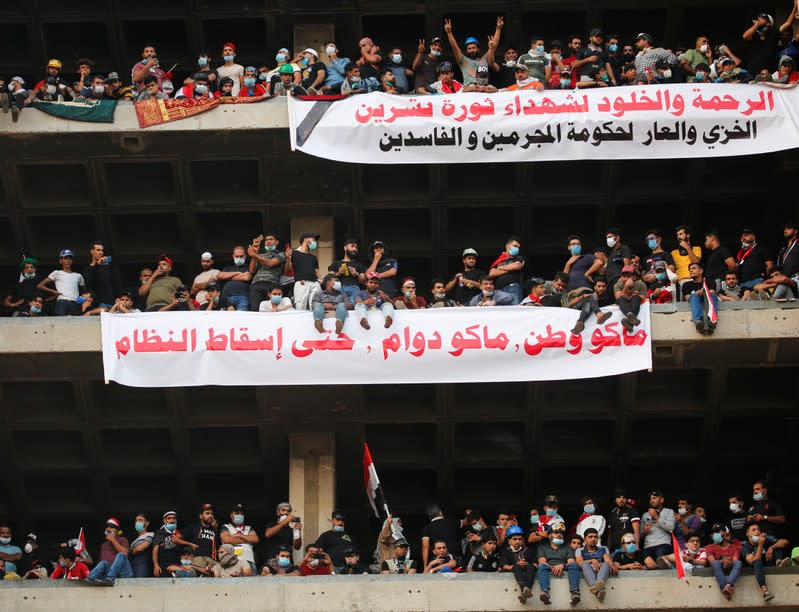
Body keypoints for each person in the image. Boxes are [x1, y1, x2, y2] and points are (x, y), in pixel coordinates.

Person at [443, 16, 502, 92]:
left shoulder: (485, 59)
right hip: (469, 91)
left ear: (478, 49)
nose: (471, 50)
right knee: (472, 86)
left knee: (492, 88)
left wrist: (498, 29)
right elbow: (454, 47)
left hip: (484, 90)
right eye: (469, 49)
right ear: (467, 51)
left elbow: (493, 46)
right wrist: (449, 33)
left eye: (473, 48)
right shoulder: (463, 61)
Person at [742, 523, 790, 601]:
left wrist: (771, 547)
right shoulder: (746, 547)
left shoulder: (765, 539)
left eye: (758, 530)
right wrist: (760, 545)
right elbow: (752, 561)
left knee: (777, 546)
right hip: (757, 569)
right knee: (757, 561)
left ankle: (779, 563)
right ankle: (765, 592)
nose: (757, 532)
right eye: (754, 530)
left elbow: (785, 542)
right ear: (748, 534)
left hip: (770, 564)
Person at [536, 523, 581, 606]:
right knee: (542, 566)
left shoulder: (568, 547)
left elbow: (571, 561)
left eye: (561, 533)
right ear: (549, 536)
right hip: (549, 567)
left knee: (574, 565)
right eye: (556, 533)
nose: (560, 535)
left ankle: (575, 593)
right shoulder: (542, 547)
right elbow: (542, 561)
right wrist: (553, 567)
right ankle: (545, 592)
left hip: (564, 567)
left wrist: (562, 565)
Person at [87, 517, 132, 585]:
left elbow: (125, 553)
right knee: (103, 563)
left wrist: (113, 540)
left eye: (111, 527)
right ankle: (88, 579)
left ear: (117, 530)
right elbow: (102, 563)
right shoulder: (104, 545)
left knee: (121, 555)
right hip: (108, 575)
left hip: (123, 573)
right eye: (107, 527)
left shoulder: (123, 539)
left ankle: (110, 579)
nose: (108, 529)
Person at [576, 527, 614, 603]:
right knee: (585, 564)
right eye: (590, 537)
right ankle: (598, 589)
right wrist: (592, 560)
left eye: (595, 537)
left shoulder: (603, 548)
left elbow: (607, 560)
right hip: (588, 572)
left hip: (601, 572)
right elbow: (580, 563)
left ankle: (597, 585)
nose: (593, 539)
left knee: (606, 564)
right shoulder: (580, 550)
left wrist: (612, 566)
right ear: (585, 539)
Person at [705, 523, 742, 600]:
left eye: (717, 532)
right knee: (716, 563)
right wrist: (722, 561)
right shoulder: (709, 547)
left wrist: (728, 562)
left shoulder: (735, 547)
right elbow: (712, 562)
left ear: (725, 533)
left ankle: (728, 585)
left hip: (731, 567)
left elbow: (735, 561)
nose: (714, 535)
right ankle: (724, 587)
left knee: (738, 563)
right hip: (719, 567)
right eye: (713, 533)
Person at [640, 490, 676, 569]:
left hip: (663, 544)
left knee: (661, 557)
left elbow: (671, 528)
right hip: (647, 547)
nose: (652, 500)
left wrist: (657, 517)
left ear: (662, 500)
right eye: (650, 499)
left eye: (654, 498)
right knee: (644, 557)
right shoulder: (645, 515)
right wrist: (645, 531)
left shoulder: (669, 511)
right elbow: (640, 535)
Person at [220, 504, 259, 575]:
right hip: (233, 562)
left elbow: (255, 539)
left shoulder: (249, 528)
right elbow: (227, 540)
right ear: (231, 515)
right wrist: (247, 539)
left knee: (252, 583)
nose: (239, 515)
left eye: (242, 514)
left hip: (249, 560)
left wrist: (239, 535)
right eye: (237, 513)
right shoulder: (226, 527)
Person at [682, 262, 718, 334]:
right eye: (690, 269)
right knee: (694, 296)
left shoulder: (709, 281)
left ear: (701, 271)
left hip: (708, 300)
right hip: (695, 301)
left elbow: (712, 293)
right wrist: (697, 293)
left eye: (694, 268)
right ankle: (698, 322)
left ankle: (712, 320)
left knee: (711, 295)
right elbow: (687, 298)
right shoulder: (686, 284)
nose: (691, 270)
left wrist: (703, 291)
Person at [421, 504, 461, 568]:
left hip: (441, 560)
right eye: (439, 548)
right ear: (440, 512)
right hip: (454, 557)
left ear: (429, 516)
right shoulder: (453, 522)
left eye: (443, 548)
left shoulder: (427, 528)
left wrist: (425, 566)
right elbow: (466, 522)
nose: (442, 550)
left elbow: (425, 546)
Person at [488, 237, 525, 304]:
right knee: (501, 312)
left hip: (513, 287)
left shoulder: (519, 258)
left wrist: (500, 268)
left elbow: (517, 266)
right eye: (515, 246)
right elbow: (492, 273)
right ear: (508, 246)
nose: (517, 249)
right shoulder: (499, 260)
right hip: (499, 290)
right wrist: (510, 268)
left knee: (515, 311)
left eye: (518, 247)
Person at [328, 238, 365, 303]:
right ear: (345, 248)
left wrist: (356, 274)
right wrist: (338, 273)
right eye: (352, 246)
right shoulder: (335, 263)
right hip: (339, 289)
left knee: (354, 303)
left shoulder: (360, 264)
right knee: (338, 304)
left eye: (356, 247)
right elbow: (328, 279)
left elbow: (363, 282)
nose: (355, 249)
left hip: (355, 289)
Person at [614, 265, 647, 332]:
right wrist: (626, 287)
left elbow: (644, 297)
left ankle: (629, 322)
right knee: (621, 299)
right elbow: (617, 297)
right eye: (624, 276)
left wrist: (635, 296)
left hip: (635, 301)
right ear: (621, 277)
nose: (626, 279)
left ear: (634, 277)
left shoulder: (641, 284)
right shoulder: (617, 284)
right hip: (623, 302)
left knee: (635, 297)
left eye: (628, 276)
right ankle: (630, 316)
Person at [129, 514, 154, 578]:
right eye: (136, 520)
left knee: (139, 585)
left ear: (147, 523)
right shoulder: (134, 541)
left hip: (143, 566)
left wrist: (133, 550)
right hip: (132, 566)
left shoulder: (151, 534)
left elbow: (140, 549)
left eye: (140, 520)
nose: (137, 522)